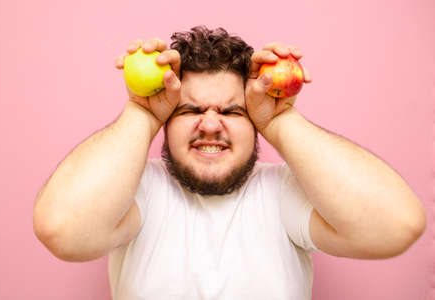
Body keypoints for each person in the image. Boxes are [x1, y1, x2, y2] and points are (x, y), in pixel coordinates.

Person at [33, 26, 427, 300]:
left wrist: (280, 119)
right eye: (188, 109)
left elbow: (397, 226)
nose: (210, 125)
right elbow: (62, 231)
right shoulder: (139, 191)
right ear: (166, 121)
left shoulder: (281, 192)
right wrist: (141, 111)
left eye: (233, 112)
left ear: (254, 123)